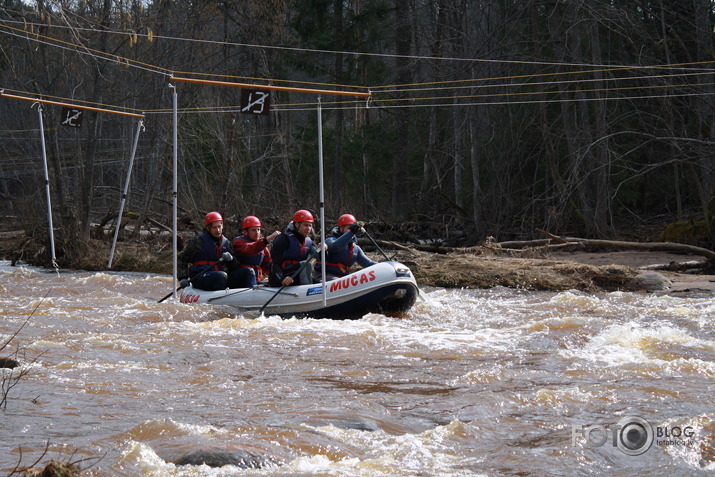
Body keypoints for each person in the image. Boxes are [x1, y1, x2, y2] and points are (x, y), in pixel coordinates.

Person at [177, 211, 249, 291]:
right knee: (221, 276)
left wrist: (231, 260)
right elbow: (182, 258)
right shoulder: (198, 241)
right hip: (200, 276)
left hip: (220, 275)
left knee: (247, 271)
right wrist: (183, 277)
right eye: (214, 227)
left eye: (219, 226)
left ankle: (251, 295)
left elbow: (235, 266)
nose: (218, 230)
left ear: (222, 226)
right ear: (208, 228)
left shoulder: (226, 243)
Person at [313, 213, 377, 281]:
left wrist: (386, 264)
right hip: (324, 276)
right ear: (341, 228)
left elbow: (368, 263)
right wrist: (352, 232)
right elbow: (335, 246)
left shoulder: (356, 249)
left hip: (342, 279)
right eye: (349, 228)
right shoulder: (330, 240)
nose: (351, 231)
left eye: (352, 229)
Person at [269, 209, 323, 287]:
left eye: (310, 225)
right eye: (305, 225)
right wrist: (282, 279)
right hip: (281, 276)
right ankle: (308, 292)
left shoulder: (309, 241)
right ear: (297, 224)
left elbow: (321, 258)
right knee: (304, 264)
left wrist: (323, 249)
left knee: (320, 282)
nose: (308, 228)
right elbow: (275, 265)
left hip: (297, 275)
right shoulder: (283, 239)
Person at [231, 215, 281, 287]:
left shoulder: (263, 247)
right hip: (240, 280)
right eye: (253, 230)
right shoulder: (238, 242)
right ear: (245, 232)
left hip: (256, 280)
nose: (257, 232)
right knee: (249, 271)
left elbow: (267, 265)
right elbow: (250, 249)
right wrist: (267, 239)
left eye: (258, 229)